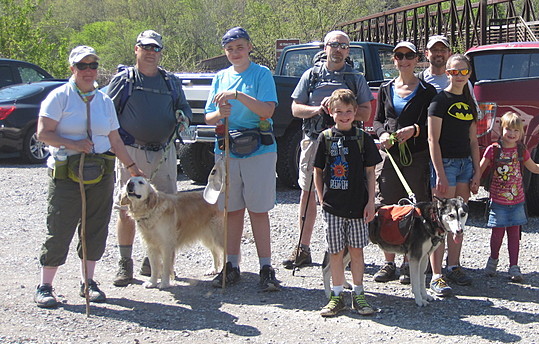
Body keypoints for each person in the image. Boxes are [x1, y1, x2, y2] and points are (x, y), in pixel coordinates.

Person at [34, 46, 143, 308]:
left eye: (92, 66)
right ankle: (45, 286)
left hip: (100, 173)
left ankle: (89, 282)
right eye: (82, 66)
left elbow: (114, 138)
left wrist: (131, 166)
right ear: (72, 69)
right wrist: (72, 144)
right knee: (59, 227)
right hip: (66, 174)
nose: (88, 71)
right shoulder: (58, 97)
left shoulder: (104, 101)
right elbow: (43, 133)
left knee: (95, 227)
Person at [106, 30, 192, 287]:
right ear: (136, 49)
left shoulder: (170, 81)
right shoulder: (125, 80)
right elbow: (107, 112)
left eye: (156, 49)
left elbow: (185, 108)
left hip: (164, 153)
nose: (151, 53)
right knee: (126, 208)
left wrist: (183, 117)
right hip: (131, 150)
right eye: (146, 48)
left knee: (166, 209)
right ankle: (125, 263)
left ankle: (155, 262)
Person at [284, 30, 373, 270]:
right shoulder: (311, 76)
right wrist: (317, 110)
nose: (338, 49)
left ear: (348, 50)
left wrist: (341, 109)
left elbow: (366, 112)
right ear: (325, 48)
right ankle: (302, 248)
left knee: (343, 191)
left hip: (347, 145)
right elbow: (295, 109)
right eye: (334, 45)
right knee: (309, 192)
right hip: (314, 140)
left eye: (343, 46)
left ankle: (338, 250)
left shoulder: (355, 78)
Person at [204, 27, 281, 291]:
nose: (235, 53)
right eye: (230, 49)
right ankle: (232, 265)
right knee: (231, 210)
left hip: (259, 148)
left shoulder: (261, 74)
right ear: (224, 52)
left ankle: (266, 267)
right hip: (227, 149)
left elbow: (267, 110)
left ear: (249, 47)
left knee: (258, 210)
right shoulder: (220, 77)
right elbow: (208, 116)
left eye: (239, 47)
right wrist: (219, 112)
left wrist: (237, 96)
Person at [372, 41, 437, 284]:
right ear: (394, 60)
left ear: (417, 59)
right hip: (391, 158)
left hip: (417, 156)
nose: (404, 60)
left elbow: (433, 124)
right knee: (388, 209)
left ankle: (410, 262)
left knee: (416, 209)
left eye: (409, 55)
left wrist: (415, 130)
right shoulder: (386, 88)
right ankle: (388, 262)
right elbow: (378, 120)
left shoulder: (428, 91)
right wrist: (382, 135)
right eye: (399, 56)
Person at [314, 89, 382, 317]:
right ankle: (336, 296)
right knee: (335, 252)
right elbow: (318, 170)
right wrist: (320, 197)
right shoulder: (325, 138)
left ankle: (359, 294)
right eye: (339, 111)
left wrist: (371, 202)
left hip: (358, 206)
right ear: (331, 112)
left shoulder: (362, 139)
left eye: (349, 111)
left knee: (356, 251)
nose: (344, 116)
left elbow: (371, 172)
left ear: (356, 113)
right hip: (333, 206)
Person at [478, 111, 539, 282]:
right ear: (501, 129)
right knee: (497, 234)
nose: (512, 134)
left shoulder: (521, 150)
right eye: (508, 130)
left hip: (517, 201)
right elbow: (481, 168)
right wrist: (474, 182)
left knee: (514, 235)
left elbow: (534, 168)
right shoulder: (493, 150)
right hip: (498, 200)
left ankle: (514, 266)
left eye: (516, 131)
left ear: (521, 133)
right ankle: (493, 259)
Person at [428, 53, 480, 296]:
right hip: (446, 164)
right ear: (446, 73)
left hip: (464, 165)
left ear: (468, 73)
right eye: (453, 72)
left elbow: (473, 140)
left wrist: (477, 171)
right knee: (441, 221)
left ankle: (454, 266)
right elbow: (432, 140)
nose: (458, 76)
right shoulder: (439, 101)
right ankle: (436, 275)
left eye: (463, 71)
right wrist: (439, 172)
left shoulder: (470, 102)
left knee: (459, 221)